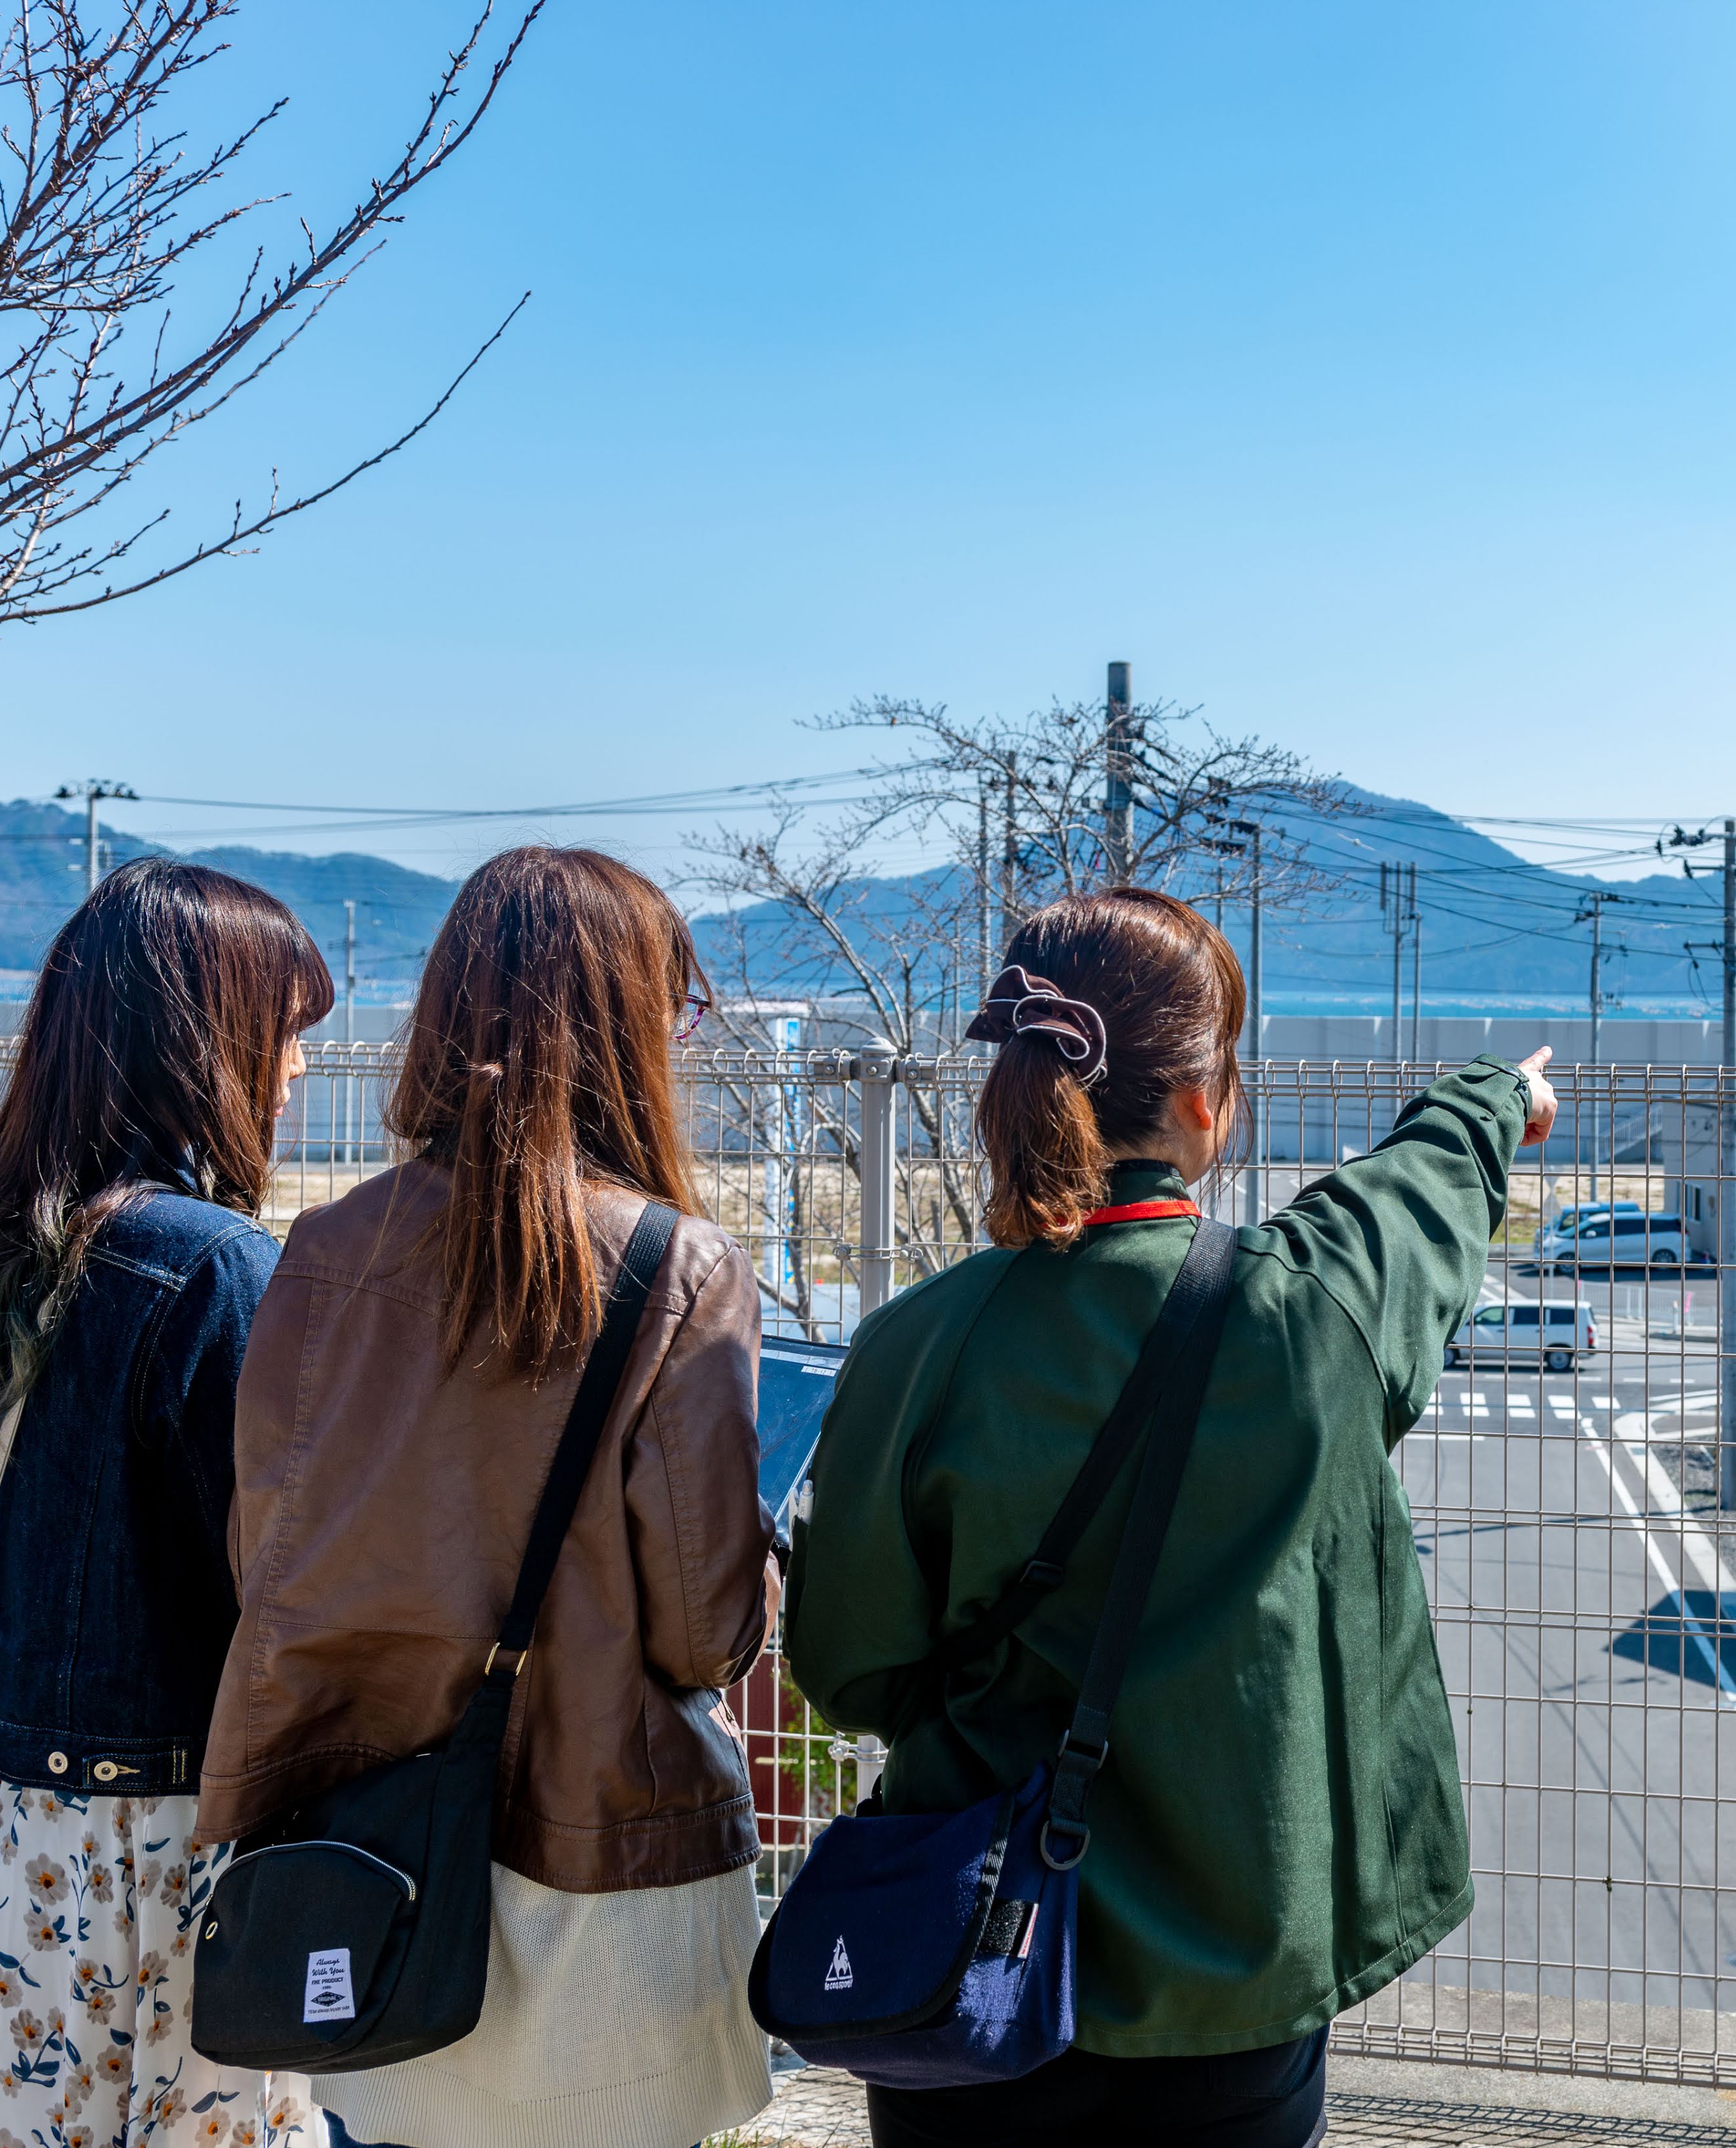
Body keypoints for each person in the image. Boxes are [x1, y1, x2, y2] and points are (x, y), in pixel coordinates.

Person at [780, 887, 1557, 2148]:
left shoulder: (915, 1345)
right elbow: (1418, 1194)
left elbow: (852, 1667)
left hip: (965, 1963)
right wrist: (1498, 1097)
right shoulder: (1311, 1312)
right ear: (1205, 1102)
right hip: (1239, 1973)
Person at [191, 847, 774, 2148]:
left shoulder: (327, 1249)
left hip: (368, 1868)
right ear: (628, 1023)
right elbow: (702, 1624)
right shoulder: (679, 1266)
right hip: (597, 1866)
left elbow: (267, 1555)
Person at [0, 857, 335, 2148]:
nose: (296, 1073)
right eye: (285, 1036)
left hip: (0, 1823)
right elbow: (278, 1580)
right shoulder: (214, 1267)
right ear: (212, 1040)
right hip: (158, 1842)